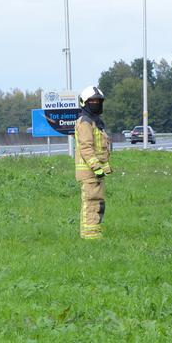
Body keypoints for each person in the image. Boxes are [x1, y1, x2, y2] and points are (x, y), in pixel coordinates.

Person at [73, 85, 110, 241]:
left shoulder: (95, 122)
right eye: (92, 101)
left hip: (95, 172)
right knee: (91, 204)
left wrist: (105, 168)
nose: (96, 103)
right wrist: (97, 168)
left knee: (98, 204)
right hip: (90, 172)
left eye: (98, 100)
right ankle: (90, 237)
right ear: (84, 102)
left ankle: (94, 234)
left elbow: (101, 148)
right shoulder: (85, 122)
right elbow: (86, 148)